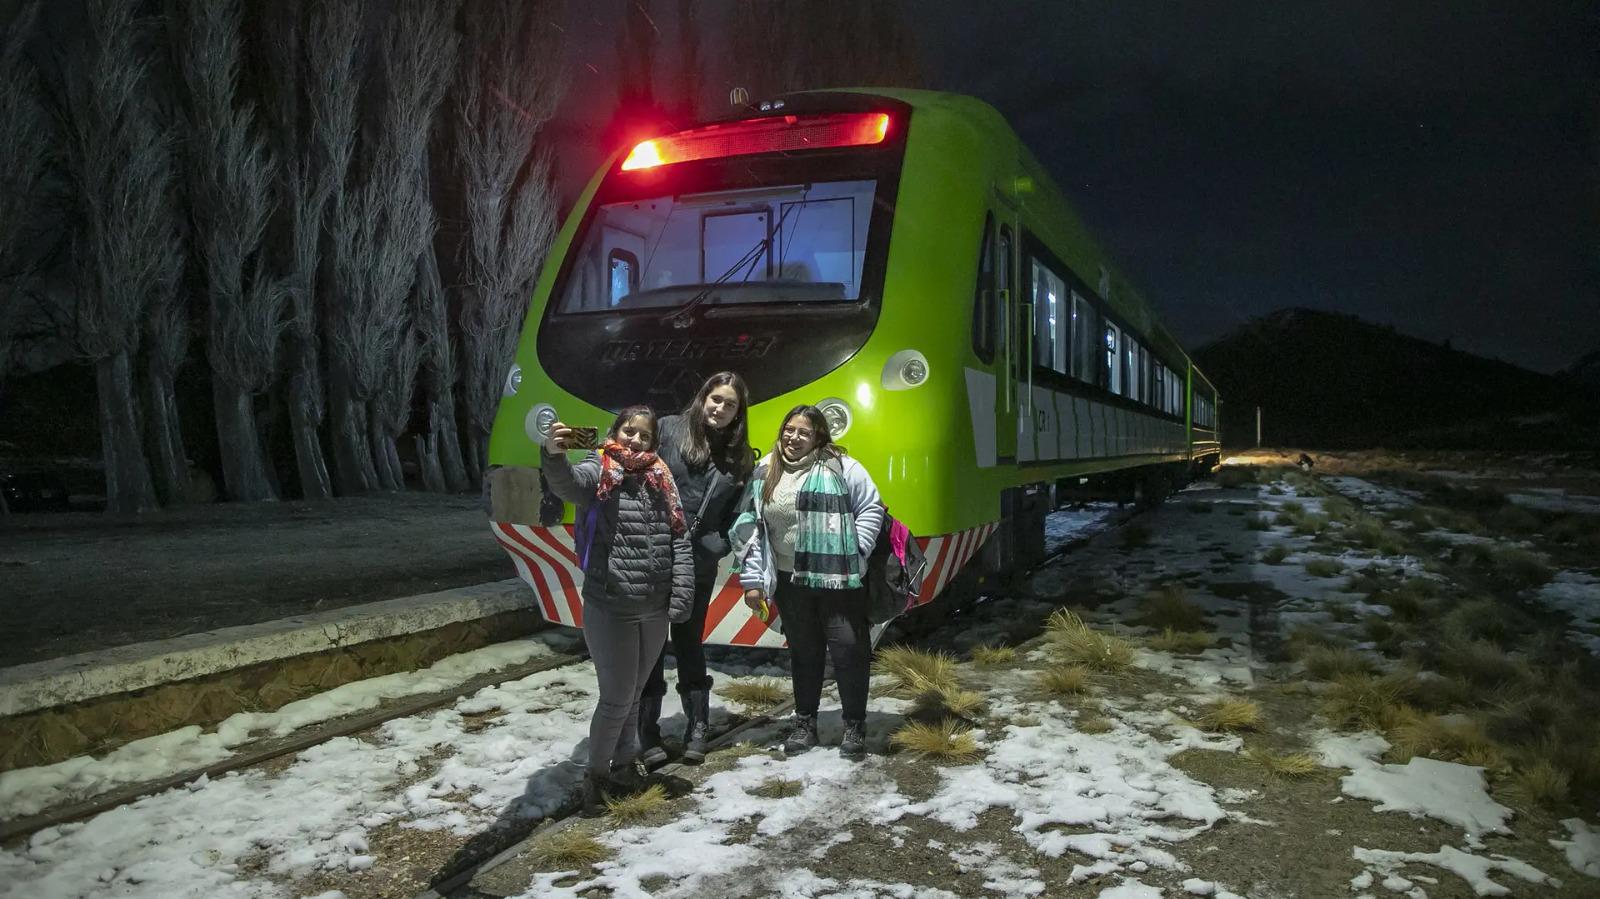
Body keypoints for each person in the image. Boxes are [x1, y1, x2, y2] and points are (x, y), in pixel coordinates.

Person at [542, 406, 693, 816]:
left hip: (654, 608)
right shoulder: (599, 467)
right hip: (612, 606)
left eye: (644, 435)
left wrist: (679, 594)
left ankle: (626, 766)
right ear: (615, 431)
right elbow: (569, 487)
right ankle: (596, 778)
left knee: (634, 695)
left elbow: (679, 539)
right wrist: (554, 455)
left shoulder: (661, 478)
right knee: (616, 698)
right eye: (629, 431)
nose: (635, 440)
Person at [731, 405, 885, 759]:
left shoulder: (843, 467)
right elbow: (748, 523)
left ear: (818, 437)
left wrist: (856, 552)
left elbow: (871, 507)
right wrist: (753, 578)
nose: (793, 437)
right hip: (790, 580)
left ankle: (854, 726)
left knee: (849, 650)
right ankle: (805, 723)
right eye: (789, 429)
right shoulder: (765, 470)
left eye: (803, 432)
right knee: (804, 652)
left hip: (838, 579)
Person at [638, 372, 755, 765]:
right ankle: (647, 732)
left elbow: (739, 515)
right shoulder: (668, 430)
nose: (719, 409)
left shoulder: (740, 456)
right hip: (654, 556)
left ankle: (697, 728)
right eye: (715, 399)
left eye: (730, 404)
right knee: (651, 644)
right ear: (703, 397)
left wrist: (715, 546)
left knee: (689, 641)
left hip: (698, 563)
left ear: (739, 413)